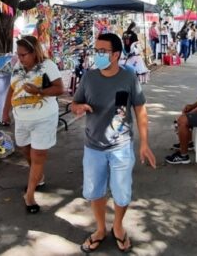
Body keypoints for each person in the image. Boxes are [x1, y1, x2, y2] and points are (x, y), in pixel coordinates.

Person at [71, 33, 156, 253]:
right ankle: (100, 229)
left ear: (116, 54)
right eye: (96, 50)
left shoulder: (128, 77)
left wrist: (144, 143)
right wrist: (78, 108)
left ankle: (117, 227)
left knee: (122, 193)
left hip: (121, 147)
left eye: (102, 51)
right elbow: (75, 102)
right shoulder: (89, 77)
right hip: (93, 147)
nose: (97, 55)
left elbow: (139, 108)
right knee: (95, 192)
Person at [1, 35, 65, 214]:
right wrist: (5, 111)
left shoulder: (48, 65)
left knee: (38, 155)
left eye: (23, 55)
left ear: (34, 53)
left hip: (44, 118)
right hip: (21, 118)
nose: (20, 58)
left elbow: (60, 89)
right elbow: (12, 88)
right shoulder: (17, 66)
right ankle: (38, 176)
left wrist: (38, 90)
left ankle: (29, 195)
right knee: (25, 150)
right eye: (18, 54)